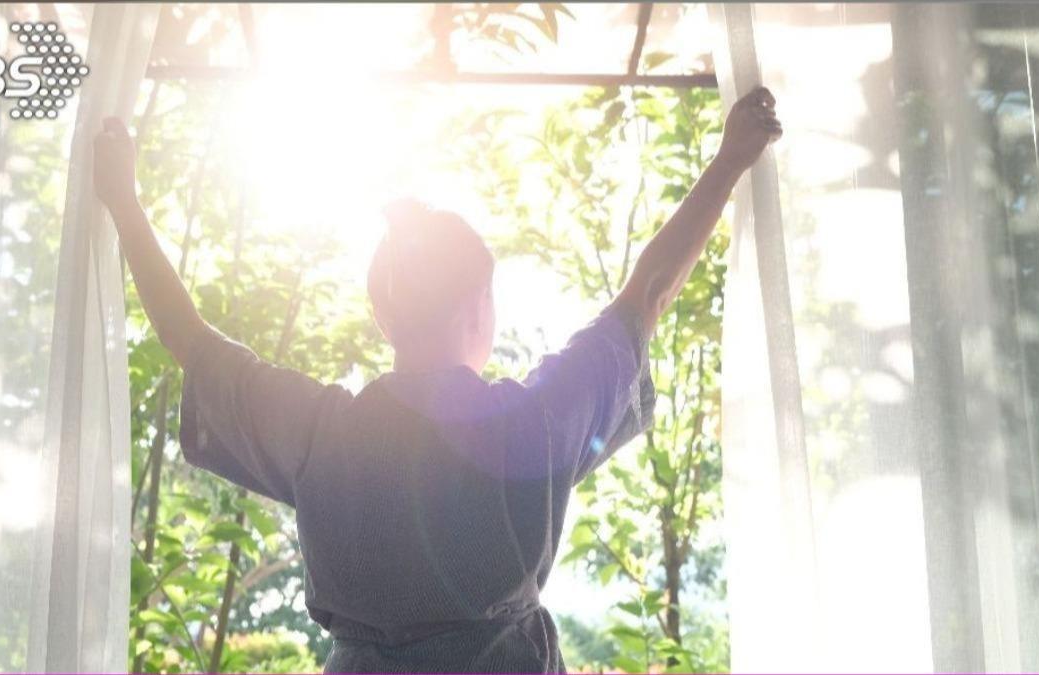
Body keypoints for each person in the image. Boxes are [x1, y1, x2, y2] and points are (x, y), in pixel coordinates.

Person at [94, 86, 781, 673]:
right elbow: (648, 294)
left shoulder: (319, 434)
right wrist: (729, 160)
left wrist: (124, 202)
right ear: (481, 303)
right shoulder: (534, 426)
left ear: (381, 312)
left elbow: (192, 341)